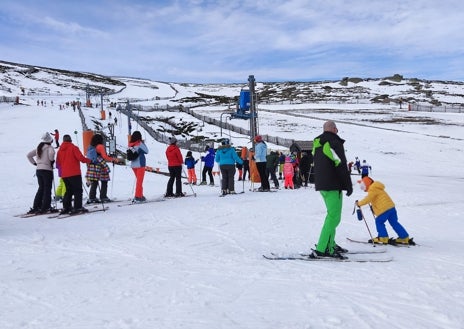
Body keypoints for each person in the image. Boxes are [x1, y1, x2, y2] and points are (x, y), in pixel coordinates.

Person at [310, 120, 353, 259]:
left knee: (332, 215)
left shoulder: (318, 143)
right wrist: (348, 184)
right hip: (333, 184)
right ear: (333, 129)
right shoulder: (334, 142)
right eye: (336, 128)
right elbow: (340, 164)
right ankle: (323, 248)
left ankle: (330, 244)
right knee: (333, 217)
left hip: (322, 184)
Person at [356, 176, 413, 245]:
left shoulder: (373, 189)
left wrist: (359, 203)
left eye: (363, 186)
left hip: (384, 209)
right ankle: (404, 237)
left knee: (379, 221)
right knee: (394, 222)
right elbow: (373, 198)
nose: (362, 188)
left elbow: (368, 199)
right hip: (391, 208)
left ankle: (383, 237)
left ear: (367, 184)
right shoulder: (377, 187)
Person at [56, 134, 92, 214]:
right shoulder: (73, 148)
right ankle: (78, 207)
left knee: (68, 191)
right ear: (70, 140)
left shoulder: (59, 150)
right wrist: (89, 161)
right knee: (78, 191)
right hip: (74, 173)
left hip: (64, 174)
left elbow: (58, 162)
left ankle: (66, 207)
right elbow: (81, 158)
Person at [26, 132, 57, 214]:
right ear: (50, 140)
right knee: (47, 189)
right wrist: (52, 160)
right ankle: (46, 206)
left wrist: (35, 163)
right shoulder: (49, 147)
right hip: (47, 170)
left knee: (41, 188)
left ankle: (36, 206)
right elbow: (51, 154)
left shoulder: (39, 147)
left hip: (38, 170)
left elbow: (29, 155)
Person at [85, 134, 120, 203]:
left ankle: (92, 197)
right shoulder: (100, 146)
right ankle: (103, 197)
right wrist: (113, 159)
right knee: (104, 181)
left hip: (92, 165)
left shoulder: (91, 146)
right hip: (100, 165)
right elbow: (105, 157)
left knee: (94, 182)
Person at [128, 131, 149, 202]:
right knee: (139, 182)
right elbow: (146, 151)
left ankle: (140, 195)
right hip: (140, 164)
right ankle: (138, 196)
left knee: (139, 181)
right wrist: (142, 143)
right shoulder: (140, 144)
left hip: (133, 165)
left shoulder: (130, 144)